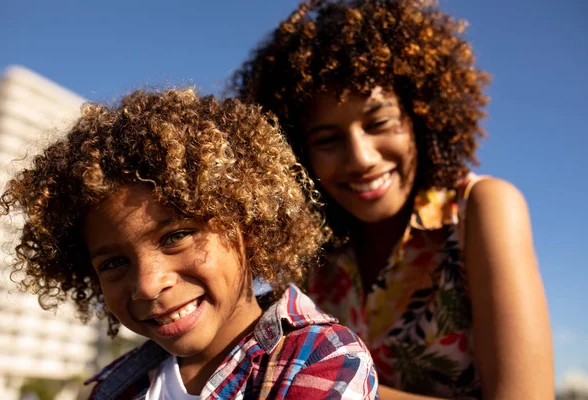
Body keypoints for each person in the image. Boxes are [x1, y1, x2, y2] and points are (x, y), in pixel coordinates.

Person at [232, 0, 554, 398]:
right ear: (299, 154)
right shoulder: (310, 249)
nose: (362, 158)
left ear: (420, 116)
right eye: (327, 140)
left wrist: (321, 382)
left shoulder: (481, 208)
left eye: (379, 123)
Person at [0, 88, 379, 399]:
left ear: (248, 226)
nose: (147, 284)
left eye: (175, 237)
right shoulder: (116, 386)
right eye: (113, 263)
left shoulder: (320, 359)